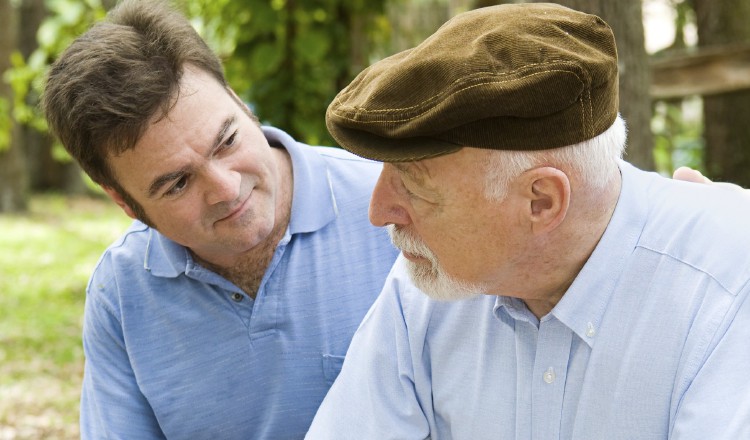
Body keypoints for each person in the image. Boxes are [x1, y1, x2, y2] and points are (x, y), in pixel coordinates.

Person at [306, 3, 750, 439]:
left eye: (415, 185)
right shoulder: (429, 284)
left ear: (542, 202)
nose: (377, 212)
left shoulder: (726, 283)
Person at [41, 1, 399, 438]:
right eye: (177, 184)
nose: (227, 190)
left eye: (226, 141)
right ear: (125, 202)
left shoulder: (395, 209)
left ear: (238, 100)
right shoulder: (121, 291)